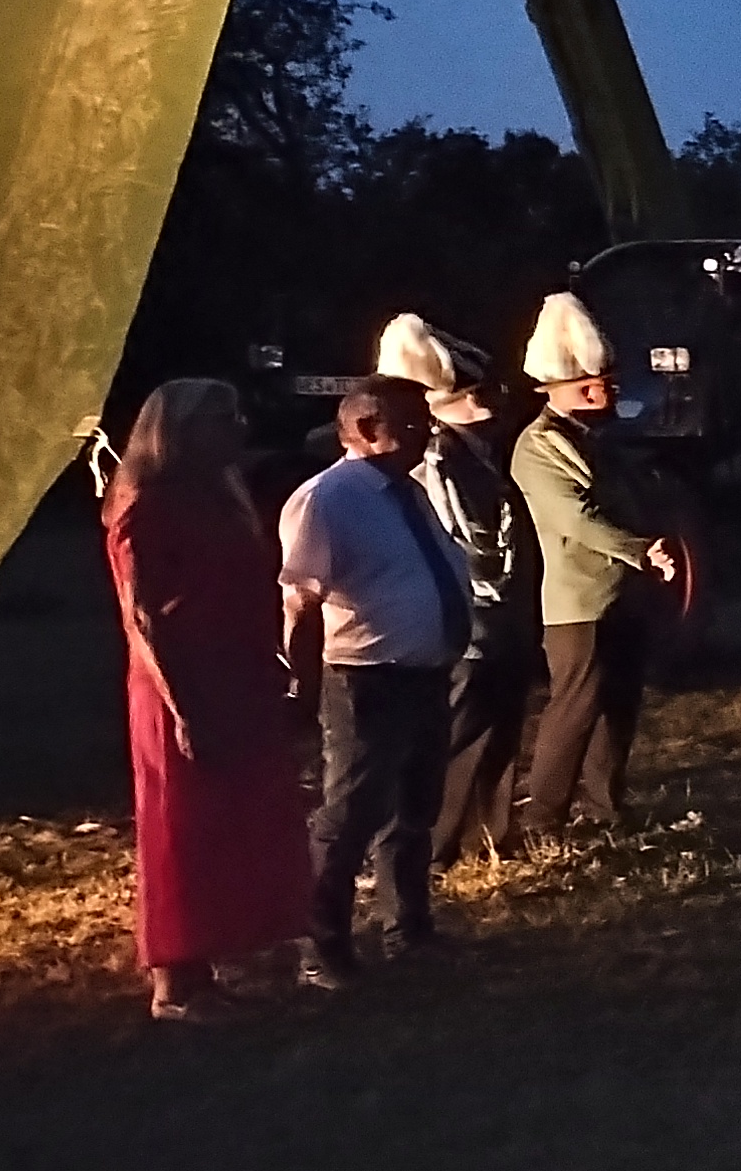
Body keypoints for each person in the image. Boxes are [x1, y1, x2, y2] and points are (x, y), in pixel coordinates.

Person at [106, 378, 309, 1019]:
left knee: (229, 818)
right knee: (180, 823)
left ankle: (211, 960)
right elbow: (143, 618)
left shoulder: (221, 496)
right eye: (223, 418)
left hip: (237, 675)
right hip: (184, 682)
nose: (239, 428)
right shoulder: (146, 508)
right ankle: (173, 980)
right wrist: (182, 707)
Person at [276, 375, 472, 987]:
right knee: (351, 814)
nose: (426, 434)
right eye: (412, 423)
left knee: (414, 808)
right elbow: (301, 600)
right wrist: (299, 684)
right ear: (364, 428)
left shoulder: (408, 492)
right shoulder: (327, 499)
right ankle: (321, 946)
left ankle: (408, 928)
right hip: (366, 679)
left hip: (425, 671)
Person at [513, 293, 681, 837]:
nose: (607, 392)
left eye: (607, 382)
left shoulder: (598, 440)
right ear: (561, 388)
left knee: (619, 706)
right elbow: (575, 517)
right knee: (575, 711)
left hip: (620, 596)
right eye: (594, 384)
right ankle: (544, 818)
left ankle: (604, 808)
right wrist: (640, 549)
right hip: (577, 603)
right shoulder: (538, 447)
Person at [381, 315, 537, 868]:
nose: (491, 402)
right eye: (478, 394)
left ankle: (489, 836)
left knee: (499, 726)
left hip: (498, 614)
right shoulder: (439, 462)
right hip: (470, 616)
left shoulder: (476, 452)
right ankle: (433, 843)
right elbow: (457, 540)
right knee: (458, 731)